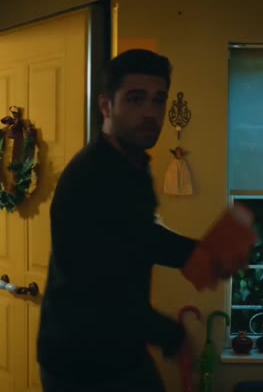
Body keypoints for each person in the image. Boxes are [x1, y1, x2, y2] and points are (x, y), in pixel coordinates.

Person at [37, 49, 238, 392]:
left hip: (123, 349)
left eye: (158, 100)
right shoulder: (88, 179)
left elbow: (139, 235)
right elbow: (97, 290)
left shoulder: (134, 166)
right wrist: (171, 335)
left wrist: (198, 254)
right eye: (135, 99)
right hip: (80, 362)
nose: (150, 112)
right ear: (106, 106)